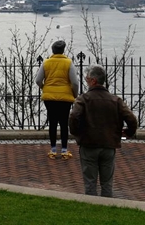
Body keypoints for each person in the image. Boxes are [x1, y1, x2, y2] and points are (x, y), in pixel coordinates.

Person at [69, 65, 137, 197]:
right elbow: (131, 119)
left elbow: (73, 117)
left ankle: (92, 208)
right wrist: (128, 132)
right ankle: (107, 205)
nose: (86, 81)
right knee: (107, 182)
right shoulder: (115, 100)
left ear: (93, 81)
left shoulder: (84, 99)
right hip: (109, 144)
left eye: (87, 79)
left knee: (90, 182)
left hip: (89, 144)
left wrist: (77, 132)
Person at [35, 40, 79, 159]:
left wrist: (45, 88)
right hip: (65, 98)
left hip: (49, 98)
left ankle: (53, 150)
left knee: (53, 122)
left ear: (52, 50)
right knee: (64, 123)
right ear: (63, 50)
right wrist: (74, 94)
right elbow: (75, 82)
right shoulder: (68, 63)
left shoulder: (46, 63)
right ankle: (64, 150)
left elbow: (38, 80)